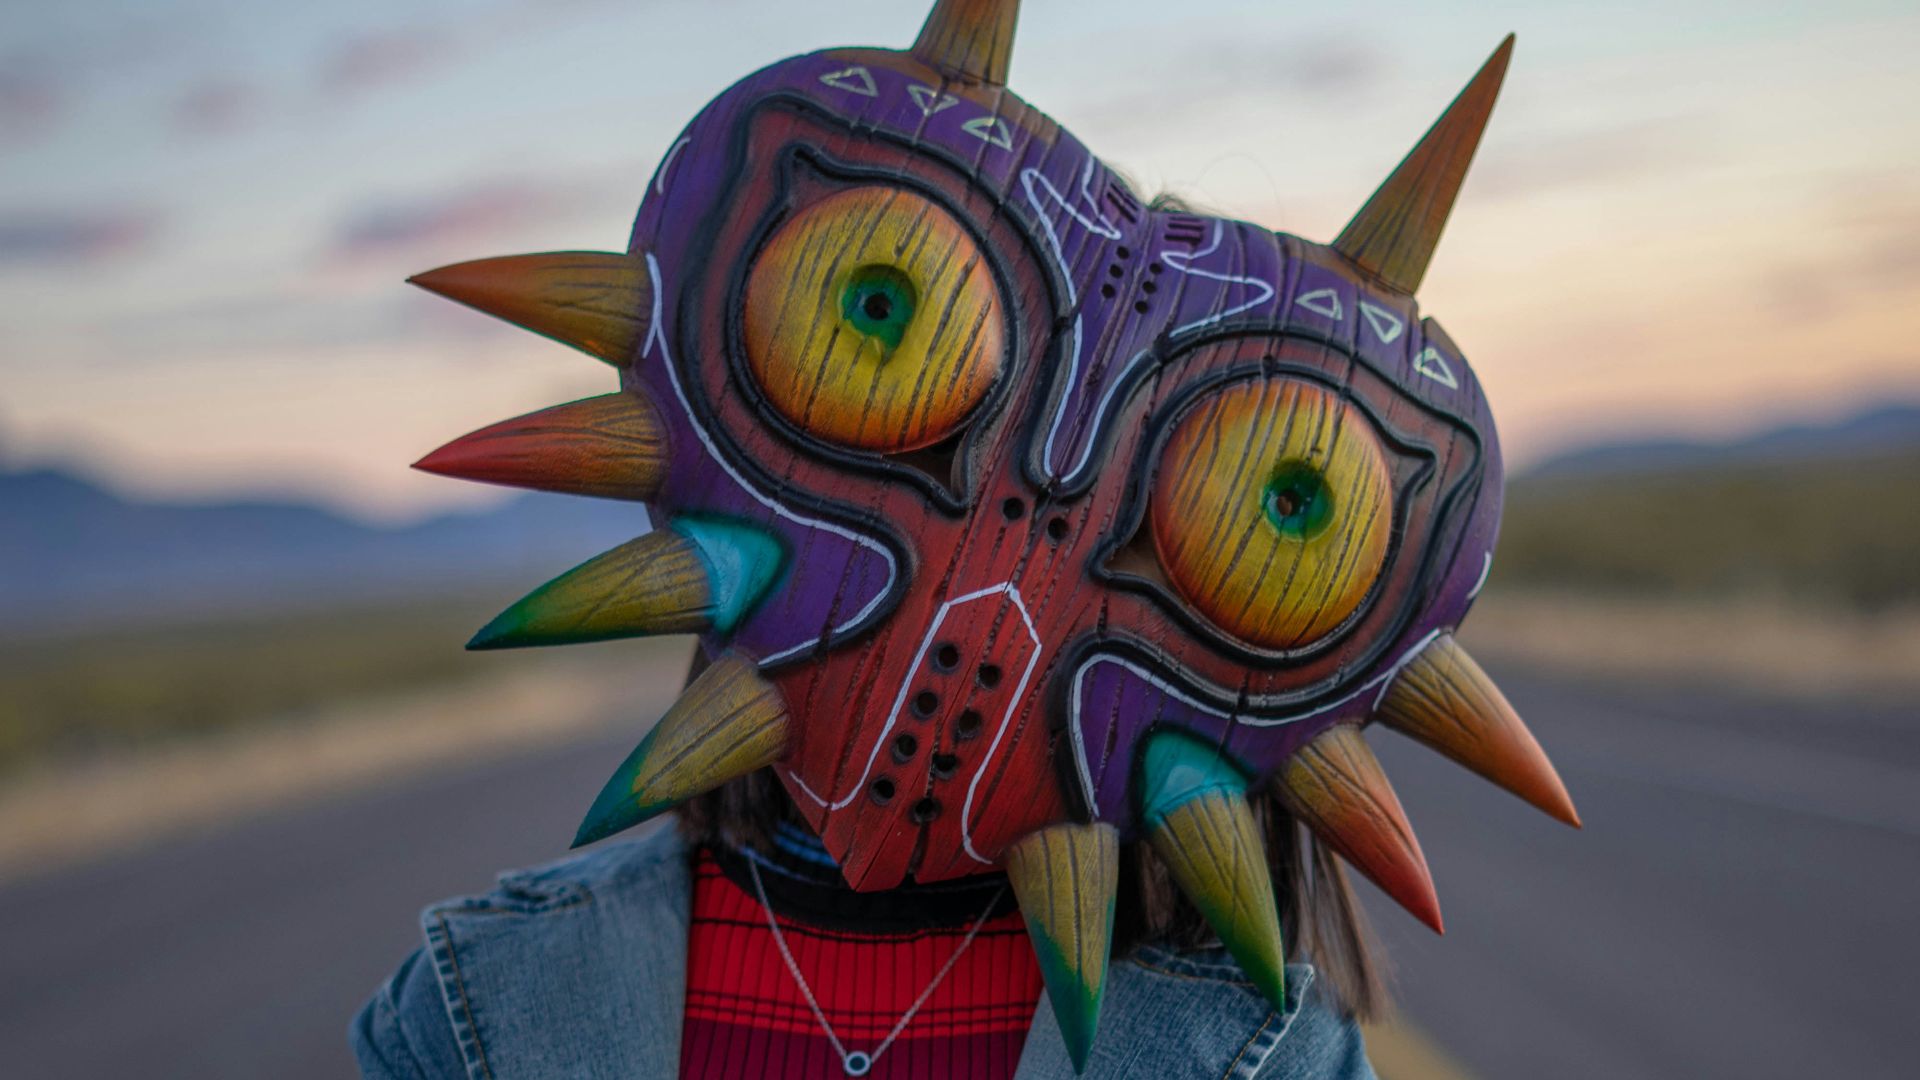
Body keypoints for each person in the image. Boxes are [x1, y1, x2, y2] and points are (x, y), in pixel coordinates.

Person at [353, 2, 1578, 1075]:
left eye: (1255, 509)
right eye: (876, 319)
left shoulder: (494, 1006)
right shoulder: (487, 1009)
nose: (1012, 546)